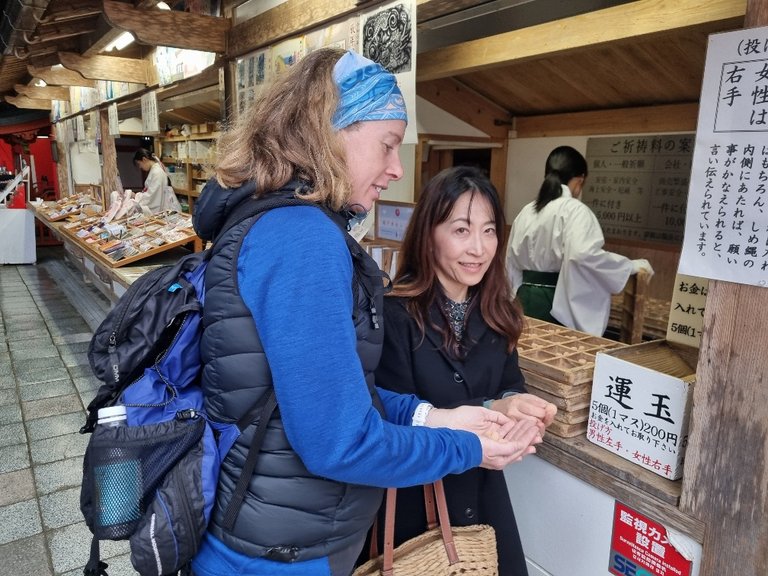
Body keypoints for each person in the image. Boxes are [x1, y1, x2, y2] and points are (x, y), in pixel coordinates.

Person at [190, 48, 542, 576]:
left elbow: (336, 396)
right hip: (284, 551)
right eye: (388, 145)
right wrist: (468, 447)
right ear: (330, 130)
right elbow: (340, 442)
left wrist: (435, 416)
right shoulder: (301, 238)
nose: (396, 169)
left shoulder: (278, 222)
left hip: (274, 529)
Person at [369, 165, 557, 576]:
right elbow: (386, 418)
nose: (478, 248)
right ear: (428, 235)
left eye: (489, 230)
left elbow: (509, 384)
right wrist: (491, 408)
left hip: (483, 496)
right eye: (461, 230)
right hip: (415, 503)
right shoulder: (394, 314)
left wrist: (517, 406)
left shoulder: (498, 313)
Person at [505, 145, 653, 336]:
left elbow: (510, 260)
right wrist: (629, 266)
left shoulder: (527, 211)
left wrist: (509, 299)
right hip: (556, 304)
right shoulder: (574, 210)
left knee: (523, 356)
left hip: (522, 300)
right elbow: (583, 255)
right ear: (580, 180)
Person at [132, 147, 175, 214]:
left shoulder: (157, 172)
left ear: (144, 159)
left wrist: (136, 196)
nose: (140, 167)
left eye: (139, 164)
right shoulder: (154, 170)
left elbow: (152, 196)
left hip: (160, 210)